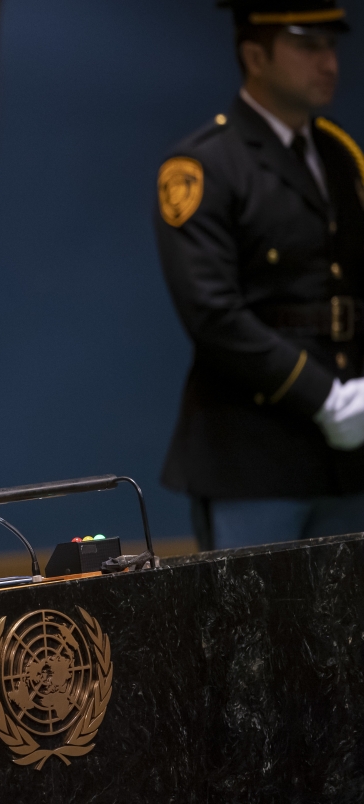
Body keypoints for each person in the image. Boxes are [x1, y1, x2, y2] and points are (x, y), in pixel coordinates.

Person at [155, 0, 364, 550]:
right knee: (258, 630)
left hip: (350, 452)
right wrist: (325, 398)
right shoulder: (205, 166)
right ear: (255, 54)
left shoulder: (339, 155)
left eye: (331, 45)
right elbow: (213, 315)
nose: (329, 63)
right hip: (255, 453)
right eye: (307, 45)